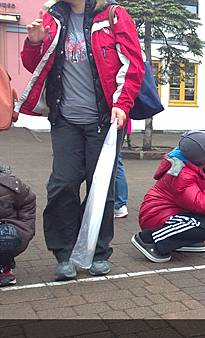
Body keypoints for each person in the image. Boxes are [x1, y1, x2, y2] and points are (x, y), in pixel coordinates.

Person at [18, 0, 144, 280]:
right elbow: (36, 66)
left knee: (101, 187)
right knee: (63, 184)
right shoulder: (52, 18)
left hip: (105, 120)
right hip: (65, 120)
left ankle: (98, 252)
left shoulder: (113, 16)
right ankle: (64, 253)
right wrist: (34, 43)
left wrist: (122, 104)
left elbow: (133, 65)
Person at [132, 131, 205, 262]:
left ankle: (181, 240)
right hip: (156, 218)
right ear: (203, 157)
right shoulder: (181, 174)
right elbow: (201, 205)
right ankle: (149, 239)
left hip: (175, 211)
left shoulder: (196, 163)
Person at [0, 164, 36, 286]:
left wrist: (25, 227)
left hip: (5, 228)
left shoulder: (10, 185)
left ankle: (4, 267)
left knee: (7, 237)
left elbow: (28, 201)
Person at [114, 118, 132, 218]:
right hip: (120, 121)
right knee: (116, 162)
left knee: (115, 163)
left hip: (115, 122)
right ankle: (119, 204)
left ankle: (119, 204)